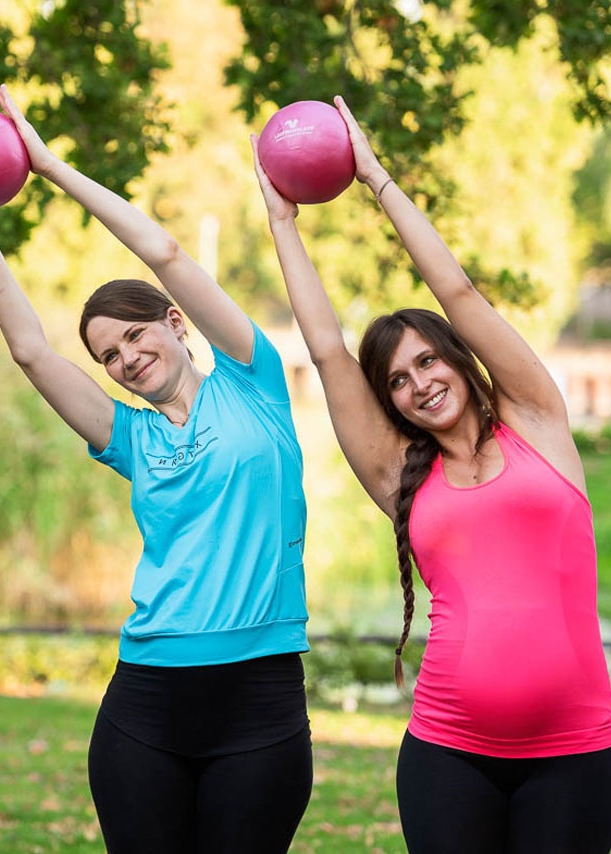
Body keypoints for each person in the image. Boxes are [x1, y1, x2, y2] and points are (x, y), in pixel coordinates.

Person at [0, 83, 313, 853]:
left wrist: (52, 167)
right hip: (146, 705)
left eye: (134, 337)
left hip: (260, 698)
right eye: (108, 356)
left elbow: (162, 252)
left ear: (174, 323)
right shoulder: (131, 439)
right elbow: (30, 352)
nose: (126, 360)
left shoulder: (251, 382)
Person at [252, 96, 611, 854]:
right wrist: (283, 223)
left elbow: (458, 292)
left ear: (457, 357)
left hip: (577, 753)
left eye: (428, 360)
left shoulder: (539, 422)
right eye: (398, 381)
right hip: (449, 754)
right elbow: (324, 351)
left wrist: (375, 175)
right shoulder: (400, 477)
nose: (418, 382)